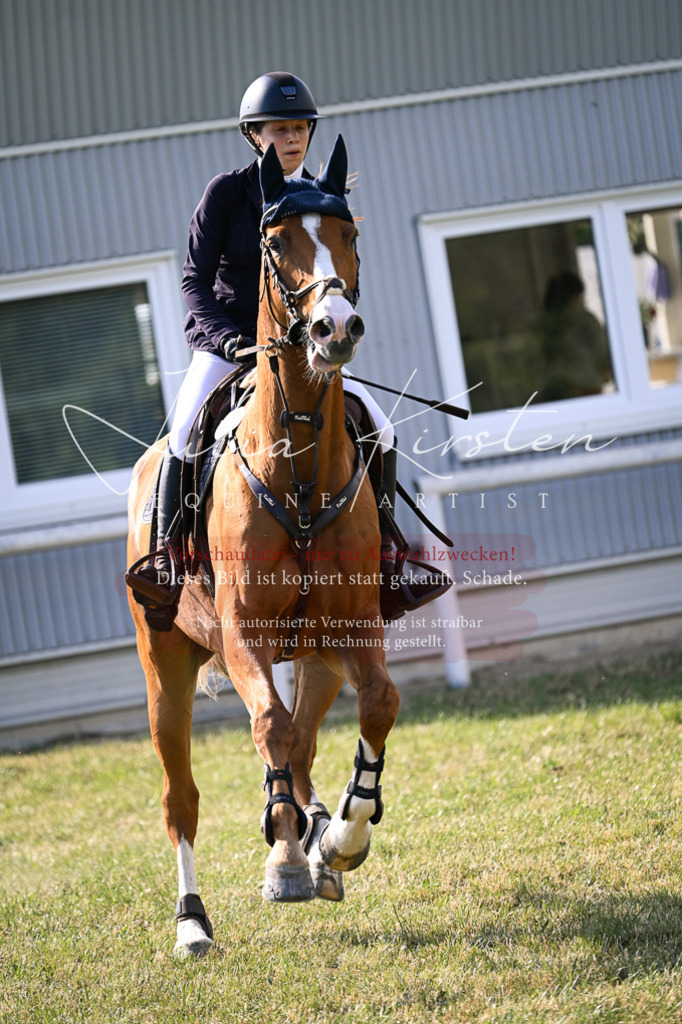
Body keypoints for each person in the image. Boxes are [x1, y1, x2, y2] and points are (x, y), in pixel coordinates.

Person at [127, 71, 446, 622]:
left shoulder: (322, 197)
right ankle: (168, 559)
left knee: (381, 428)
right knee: (182, 435)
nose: (293, 138)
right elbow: (193, 282)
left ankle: (388, 556)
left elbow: (339, 274)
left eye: (300, 127)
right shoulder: (226, 193)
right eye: (281, 128)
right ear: (255, 134)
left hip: (304, 350)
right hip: (227, 344)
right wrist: (226, 340)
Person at [538, 271, 612, 402]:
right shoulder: (585, 320)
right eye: (580, 296)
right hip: (585, 390)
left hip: (559, 393)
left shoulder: (543, 324)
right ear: (575, 295)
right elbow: (602, 353)